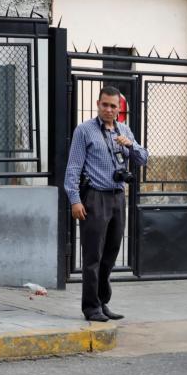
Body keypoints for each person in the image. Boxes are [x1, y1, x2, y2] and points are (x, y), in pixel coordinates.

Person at [64, 86, 148, 322]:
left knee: (111, 253)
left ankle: (102, 302)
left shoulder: (124, 130)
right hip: (94, 197)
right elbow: (73, 168)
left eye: (114, 106)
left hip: (117, 197)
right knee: (93, 256)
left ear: (119, 109)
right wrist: (75, 200)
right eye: (105, 105)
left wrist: (130, 145)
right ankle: (90, 308)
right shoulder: (84, 131)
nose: (109, 110)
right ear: (98, 104)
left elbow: (143, 158)